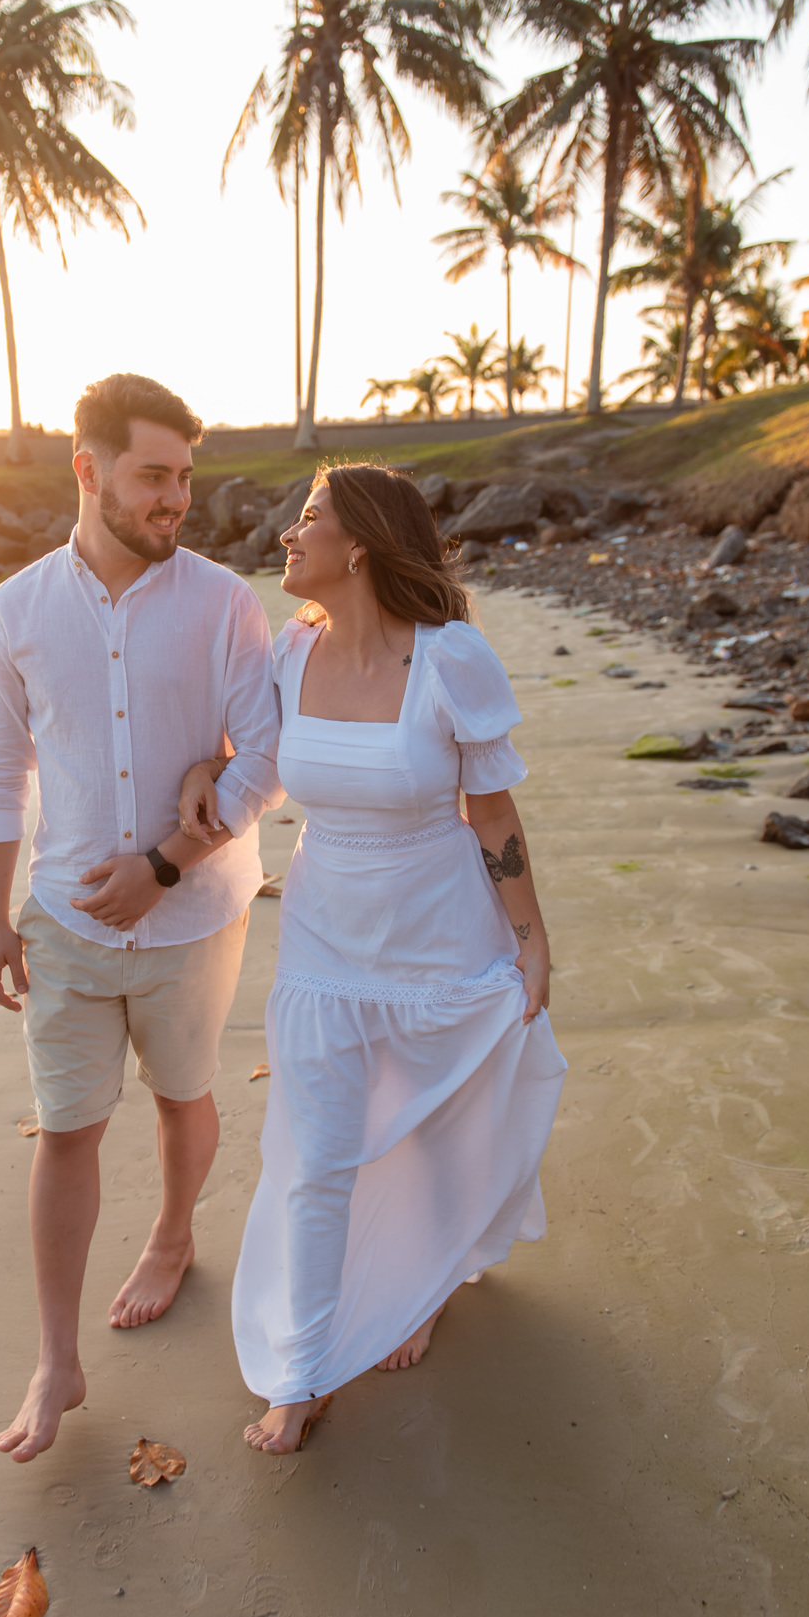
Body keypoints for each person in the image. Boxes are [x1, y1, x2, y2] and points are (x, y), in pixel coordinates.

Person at [180, 466, 567, 1454]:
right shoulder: (291, 650)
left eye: (306, 520)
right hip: (324, 941)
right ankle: (300, 1375)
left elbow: (491, 809)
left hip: (441, 938)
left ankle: (422, 1285)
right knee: (312, 1157)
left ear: (359, 546)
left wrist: (529, 938)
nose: (283, 535)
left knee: (436, 1128)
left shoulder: (452, 659)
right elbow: (261, 767)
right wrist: (203, 776)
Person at [0, 372, 282, 1462]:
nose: (175, 500)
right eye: (154, 475)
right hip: (62, 920)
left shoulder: (223, 602)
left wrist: (166, 861)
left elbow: (266, 754)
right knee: (67, 1128)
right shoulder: (15, 611)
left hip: (194, 919)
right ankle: (57, 1360)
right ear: (87, 469)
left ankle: (174, 1231)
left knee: (184, 1097)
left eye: (186, 478)